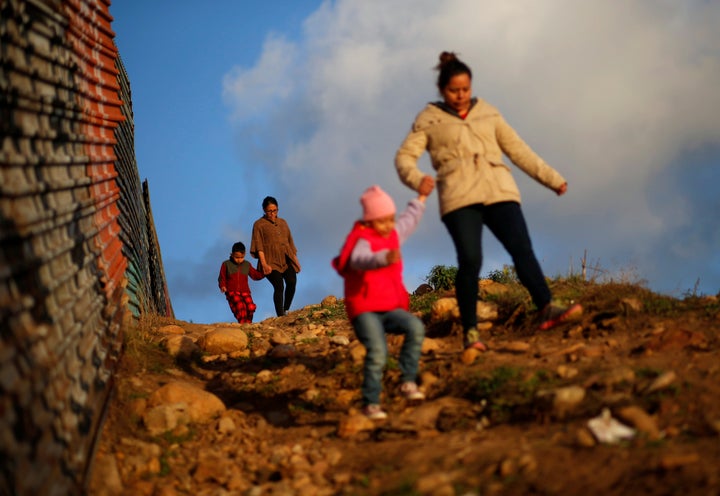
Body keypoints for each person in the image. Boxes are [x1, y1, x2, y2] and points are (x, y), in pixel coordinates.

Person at [394, 51, 582, 351]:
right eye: (454, 90)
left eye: (466, 89)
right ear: (443, 89)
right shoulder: (429, 118)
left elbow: (518, 150)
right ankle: (470, 333)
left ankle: (546, 307)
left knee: (521, 248)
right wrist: (417, 179)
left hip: (499, 189)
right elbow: (404, 157)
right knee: (471, 260)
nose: (461, 95)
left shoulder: (488, 112)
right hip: (458, 197)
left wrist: (552, 178)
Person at [332, 184, 434, 420]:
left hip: (389, 307)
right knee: (378, 351)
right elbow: (359, 259)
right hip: (364, 309)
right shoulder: (361, 239)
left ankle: (407, 381)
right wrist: (382, 257)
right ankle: (371, 402)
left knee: (415, 327)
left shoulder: (393, 234)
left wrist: (421, 197)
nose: (389, 225)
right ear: (369, 222)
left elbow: (409, 220)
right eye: (382, 221)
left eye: (391, 219)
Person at [251, 196, 301, 317]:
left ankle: (286, 309)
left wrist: (296, 261)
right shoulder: (259, 225)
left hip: (286, 260)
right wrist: (264, 264)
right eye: (269, 211)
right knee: (279, 285)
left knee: (292, 281)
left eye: (275, 210)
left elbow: (290, 243)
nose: (273, 213)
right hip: (269, 262)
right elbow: (259, 246)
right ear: (264, 210)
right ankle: (280, 316)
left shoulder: (283, 223)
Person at [218, 242, 264, 323]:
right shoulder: (226, 264)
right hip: (232, 292)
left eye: (241, 257)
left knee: (251, 307)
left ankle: (248, 323)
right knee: (240, 307)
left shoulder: (247, 264)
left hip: (245, 291)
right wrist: (222, 286)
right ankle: (242, 324)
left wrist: (264, 273)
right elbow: (222, 277)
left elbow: (255, 275)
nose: (239, 260)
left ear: (245, 255)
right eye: (237, 257)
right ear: (231, 254)